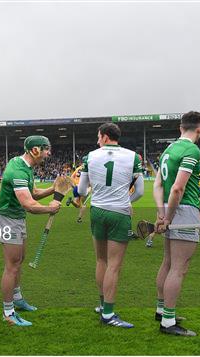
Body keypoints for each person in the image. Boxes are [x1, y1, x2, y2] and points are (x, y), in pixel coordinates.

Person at [78, 123, 143, 328]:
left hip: (97, 211)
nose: (97, 140)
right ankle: (108, 314)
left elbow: (81, 191)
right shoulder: (133, 156)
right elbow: (139, 191)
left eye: (99, 137)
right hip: (119, 212)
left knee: (101, 260)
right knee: (114, 266)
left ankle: (102, 304)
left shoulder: (90, 156)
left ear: (105, 137)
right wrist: (126, 202)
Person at [0, 135, 61, 327]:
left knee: (19, 261)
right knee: (12, 266)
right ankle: (8, 312)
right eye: (46, 149)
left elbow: (33, 193)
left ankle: (17, 299)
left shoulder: (25, 166)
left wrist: (53, 188)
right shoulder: (18, 170)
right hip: (9, 220)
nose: (48, 153)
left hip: (16, 218)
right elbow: (29, 204)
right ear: (35, 150)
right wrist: (51, 208)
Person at [153, 111, 200, 337]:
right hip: (183, 210)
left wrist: (162, 214)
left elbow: (158, 185)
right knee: (179, 267)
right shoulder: (192, 149)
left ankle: (162, 310)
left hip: (169, 208)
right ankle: (168, 322)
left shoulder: (168, 150)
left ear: (180, 128)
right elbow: (177, 188)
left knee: (168, 262)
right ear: (199, 129)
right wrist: (170, 217)